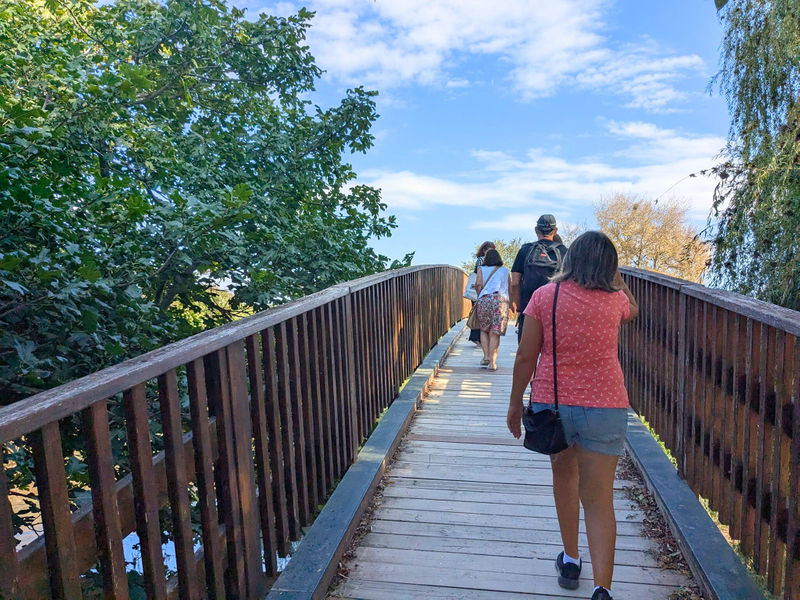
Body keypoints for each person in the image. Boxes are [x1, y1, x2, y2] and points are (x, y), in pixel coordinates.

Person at [506, 231, 639, 600]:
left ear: (569, 260)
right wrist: (617, 278)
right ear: (608, 268)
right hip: (607, 407)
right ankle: (602, 589)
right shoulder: (615, 302)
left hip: (555, 408)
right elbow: (635, 309)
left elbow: (524, 357)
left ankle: (570, 559)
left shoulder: (544, 297)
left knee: (565, 480)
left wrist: (516, 404)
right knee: (599, 499)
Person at [510, 215, 568, 343]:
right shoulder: (564, 252)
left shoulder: (525, 250)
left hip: (528, 307)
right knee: (553, 350)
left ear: (536, 230)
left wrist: (517, 305)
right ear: (555, 231)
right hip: (556, 308)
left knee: (526, 350)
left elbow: (514, 282)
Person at [474, 248, 511, 371]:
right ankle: (493, 363)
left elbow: (478, 284)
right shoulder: (505, 271)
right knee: (495, 331)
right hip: (500, 301)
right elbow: (509, 287)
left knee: (484, 329)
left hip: (484, 300)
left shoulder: (481, 269)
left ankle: (486, 356)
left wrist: (480, 296)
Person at [469, 241, 495, 345]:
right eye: (490, 250)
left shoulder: (486, 261)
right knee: (479, 315)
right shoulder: (481, 260)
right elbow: (480, 276)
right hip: (479, 291)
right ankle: (477, 338)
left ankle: (478, 338)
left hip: (483, 291)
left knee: (480, 315)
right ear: (484, 250)